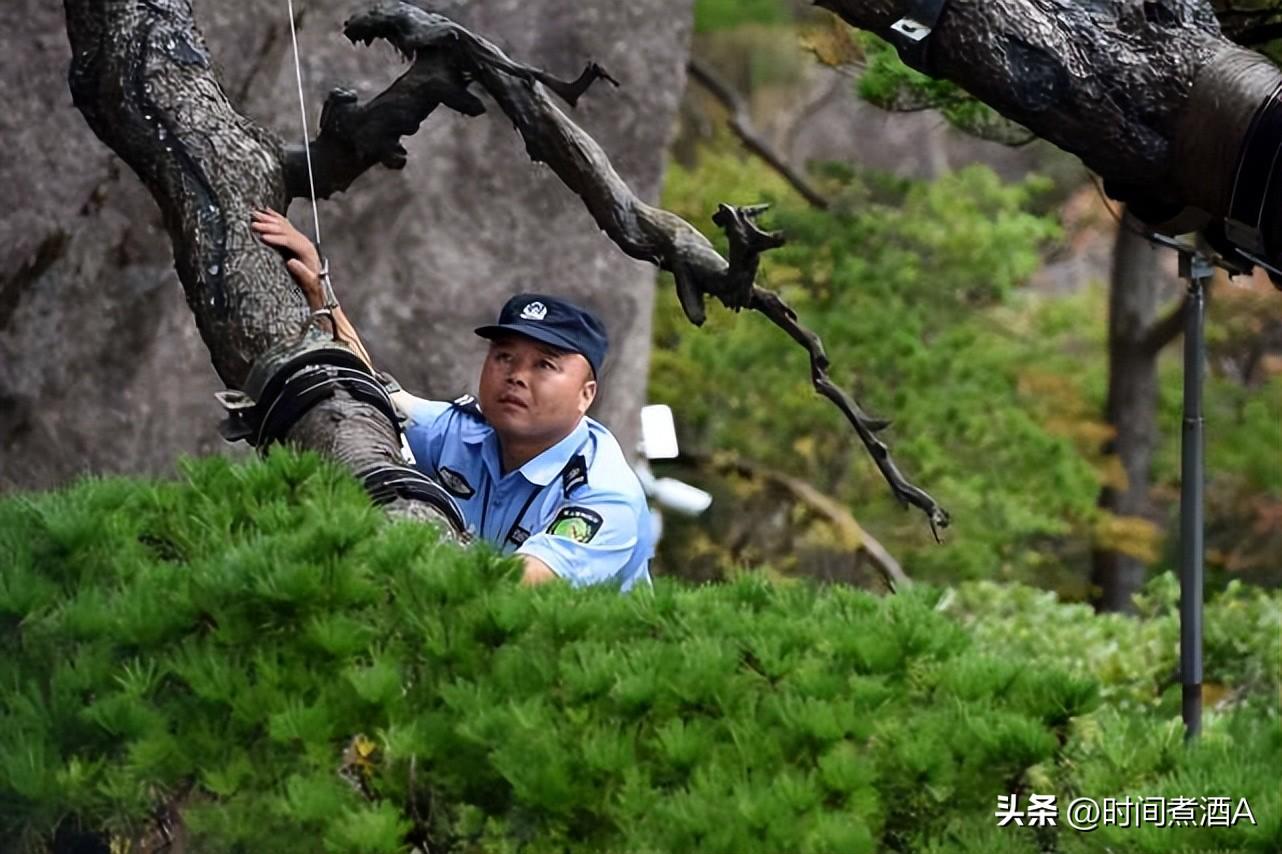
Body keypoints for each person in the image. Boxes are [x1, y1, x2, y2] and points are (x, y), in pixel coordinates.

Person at [252, 208, 652, 591]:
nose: (516, 375)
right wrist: (320, 292)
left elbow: (518, 588)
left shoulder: (602, 492)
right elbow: (372, 390)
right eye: (504, 356)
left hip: (583, 653)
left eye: (544, 365)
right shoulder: (463, 434)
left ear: (586, 394)